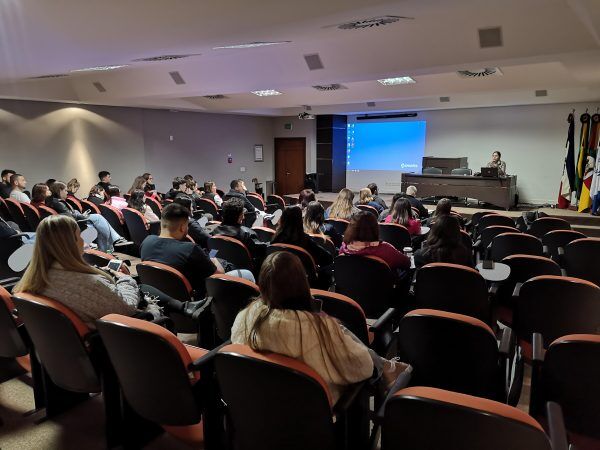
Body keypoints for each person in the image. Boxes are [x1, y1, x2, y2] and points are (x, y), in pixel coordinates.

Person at [231, 252, 409, 404]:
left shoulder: (245, 317)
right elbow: (363, 367)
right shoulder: (320, 329)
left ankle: (388, 367)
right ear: (303, 284)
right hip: (312, 417)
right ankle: (388, 368)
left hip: (259, 409)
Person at [12, 215, 161, 327]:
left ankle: (181, 307)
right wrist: (125, 278)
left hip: (67, 350)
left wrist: (100, 271)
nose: (83, 241)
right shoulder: (90, 284)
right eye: (79, 237)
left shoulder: (36, 277)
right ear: (69, 244)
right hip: (121, 340)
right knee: (146, 293)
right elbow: (127, 308)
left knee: (147, 289)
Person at [140, 203, 254, 298]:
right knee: (246, 274)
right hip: (199, 297)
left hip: (163, 297)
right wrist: (213, 260)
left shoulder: (146, 242)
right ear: (182, 227)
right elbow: (219, 275)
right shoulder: (190, 249)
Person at [46, 181, 127, 252]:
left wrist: (78, 214)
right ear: (59, 190)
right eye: (65, 190)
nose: (67, 192)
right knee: (98, 218)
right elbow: (70, 216)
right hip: (76, 224)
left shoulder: (55, 201)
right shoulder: (58, 203)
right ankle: (114, 242)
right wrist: (81, 215)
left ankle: (108, 248)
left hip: (73, 222)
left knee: (99, 225)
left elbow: (68, 213)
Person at [339, 211, 410, 271]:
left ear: (350, 228)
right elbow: (406, 263)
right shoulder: (385, 249)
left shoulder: (344, 248)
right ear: (375, 229)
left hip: (350, 287)